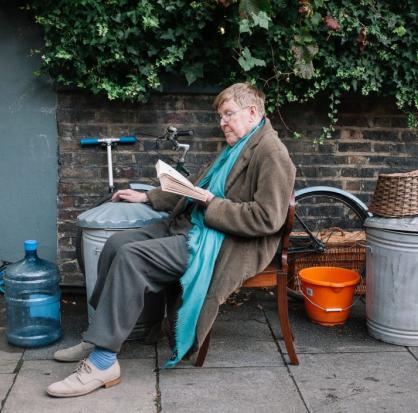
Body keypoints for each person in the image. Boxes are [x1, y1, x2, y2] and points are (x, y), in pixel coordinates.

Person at [46, 82, 296, 398]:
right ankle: (98, 336)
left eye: (228, 114)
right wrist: (148, 196)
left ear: (252, 112)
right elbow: (192, 187)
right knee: (116, 245)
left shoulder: (272, 153)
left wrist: (212, 204)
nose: (222, 123)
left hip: (220, 242)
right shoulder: (238, 146)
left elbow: (267, 218)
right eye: (221, 117)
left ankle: (103, 361)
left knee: (132, 257)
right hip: (191, 225)